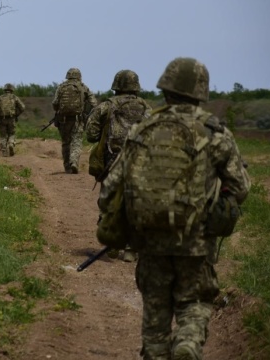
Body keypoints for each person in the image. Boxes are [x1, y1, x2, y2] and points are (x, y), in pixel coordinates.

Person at [98, 57, 250, 360]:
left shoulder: (143, 128)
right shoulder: (214, 132)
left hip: (149, 241)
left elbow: (109, 189)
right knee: (194, 302)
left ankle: (156, 354)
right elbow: (241, 187)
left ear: (164, 87)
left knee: (155, 310)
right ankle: (187, 345)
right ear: (201, 91)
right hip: (195, 241)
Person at [86, 69, 152, 262]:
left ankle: (112, 245)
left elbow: (91, 133)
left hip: (112, 161)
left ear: (116, 86)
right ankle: (131, 250)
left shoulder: (106, 106)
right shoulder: (146, 108)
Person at [52, 68, 98, 173]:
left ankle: (67, 167)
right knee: (76, 141)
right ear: (79, 76)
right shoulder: (83, 87)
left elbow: (55, 103)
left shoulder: (61, 87)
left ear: (67, 75)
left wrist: (59, 110)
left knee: (65, 143)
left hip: (63, 120)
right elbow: (94, 104)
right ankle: (74, 162)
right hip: (78, 119)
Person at [0, 83, 25, 156]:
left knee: (3, 135)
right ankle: (11, 144)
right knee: (12, 133)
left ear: (4, 89)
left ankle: (4, 151)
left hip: (2, 119)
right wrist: (17, 114)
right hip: (11, 119)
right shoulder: (14, 97)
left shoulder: (0, 98)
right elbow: (23, 107)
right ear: (12, 89)